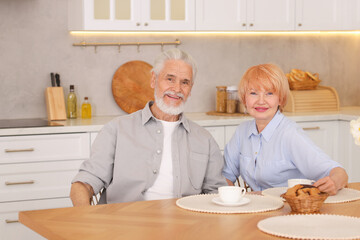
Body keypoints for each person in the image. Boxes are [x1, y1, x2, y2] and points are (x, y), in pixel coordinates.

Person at [70, 48, 227, 206]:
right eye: (170, 79)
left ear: (190, 88)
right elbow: (83, 184)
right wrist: (87, 221)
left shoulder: (205, 140)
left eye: (184, 82)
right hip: (123, 225)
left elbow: (216, 194)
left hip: (183, 226)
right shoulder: (116, 130)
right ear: (154, 80)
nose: (177, 89)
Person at [223, 63, 348, 195]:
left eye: (269, 93)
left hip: (290, 209)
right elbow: (225, 175)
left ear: (281, 99)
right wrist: (232, 200)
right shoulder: (242, 132)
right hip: (257, 206)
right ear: (244, 99)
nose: (261, 101)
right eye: (253, 93)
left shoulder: (290, 134)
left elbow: (339, 173)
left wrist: (334, 182)